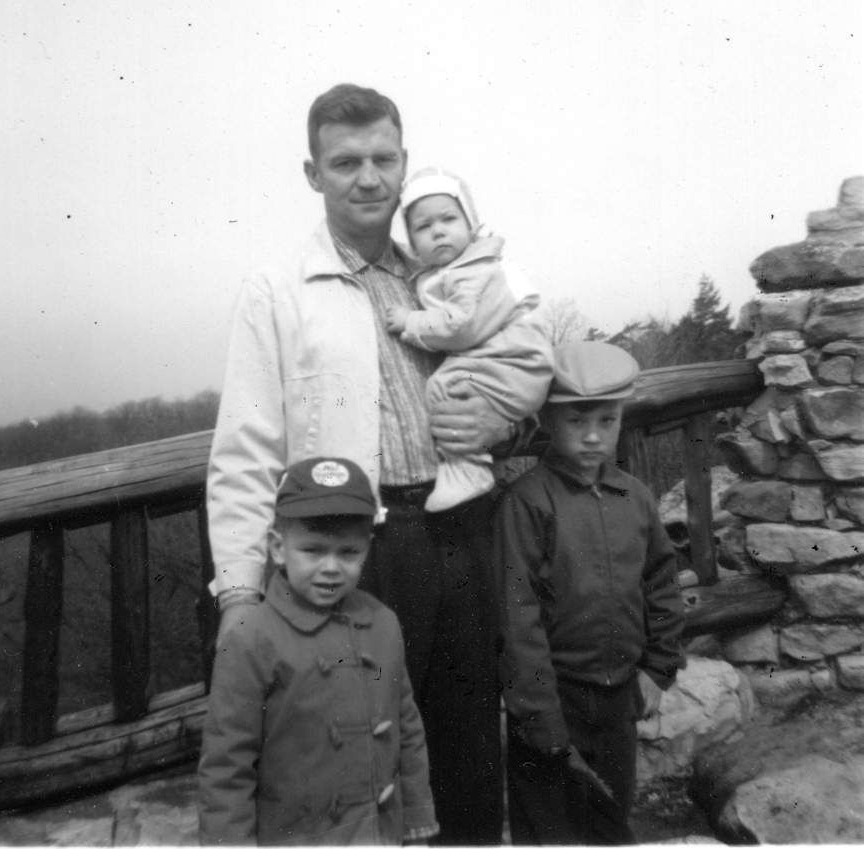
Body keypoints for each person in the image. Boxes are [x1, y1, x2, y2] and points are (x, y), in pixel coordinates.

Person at [206, 83, 506, 844]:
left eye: (383, 159)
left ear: (405, 165)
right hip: (359, 549)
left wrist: (510, 417)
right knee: (357, 765)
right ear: (313, 173)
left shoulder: (447, 276)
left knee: (467, 744)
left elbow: (516, 369)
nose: (368, 177)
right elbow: (245, 452)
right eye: (346, 162)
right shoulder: (278, 293)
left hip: (464, 534)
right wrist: (241, 589)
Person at [495, 341, 685, 845]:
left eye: (607, 420)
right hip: (555, 697)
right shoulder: (528, 503)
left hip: (619, 694)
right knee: (549, 827)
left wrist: (657, 669)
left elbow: (662, 583)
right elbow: (519, 615)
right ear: (548, 422)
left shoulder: (636, 498)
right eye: (577, 422)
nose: (594, 436)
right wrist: (537, 711)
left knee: (610, 818)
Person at [198, 457, 438, 845]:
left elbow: (407, 732)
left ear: (368, 549)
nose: (331, 567)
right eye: (312, 550)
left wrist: (416, 822)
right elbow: (227, 766)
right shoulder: (251, 638)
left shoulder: (382, 623)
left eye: (348, 552)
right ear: (278, 548)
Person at [385, 167, 552, 512]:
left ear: (471, 223)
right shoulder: (450, 271)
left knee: (443, 385)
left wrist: (410, 321)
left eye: (448, 219)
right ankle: (464, 468)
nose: (438, 231)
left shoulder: (473, 270)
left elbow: (461, 326)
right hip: (511, 362)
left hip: (513, 360)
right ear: (412, 242)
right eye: (423, 227)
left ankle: (467, 469)